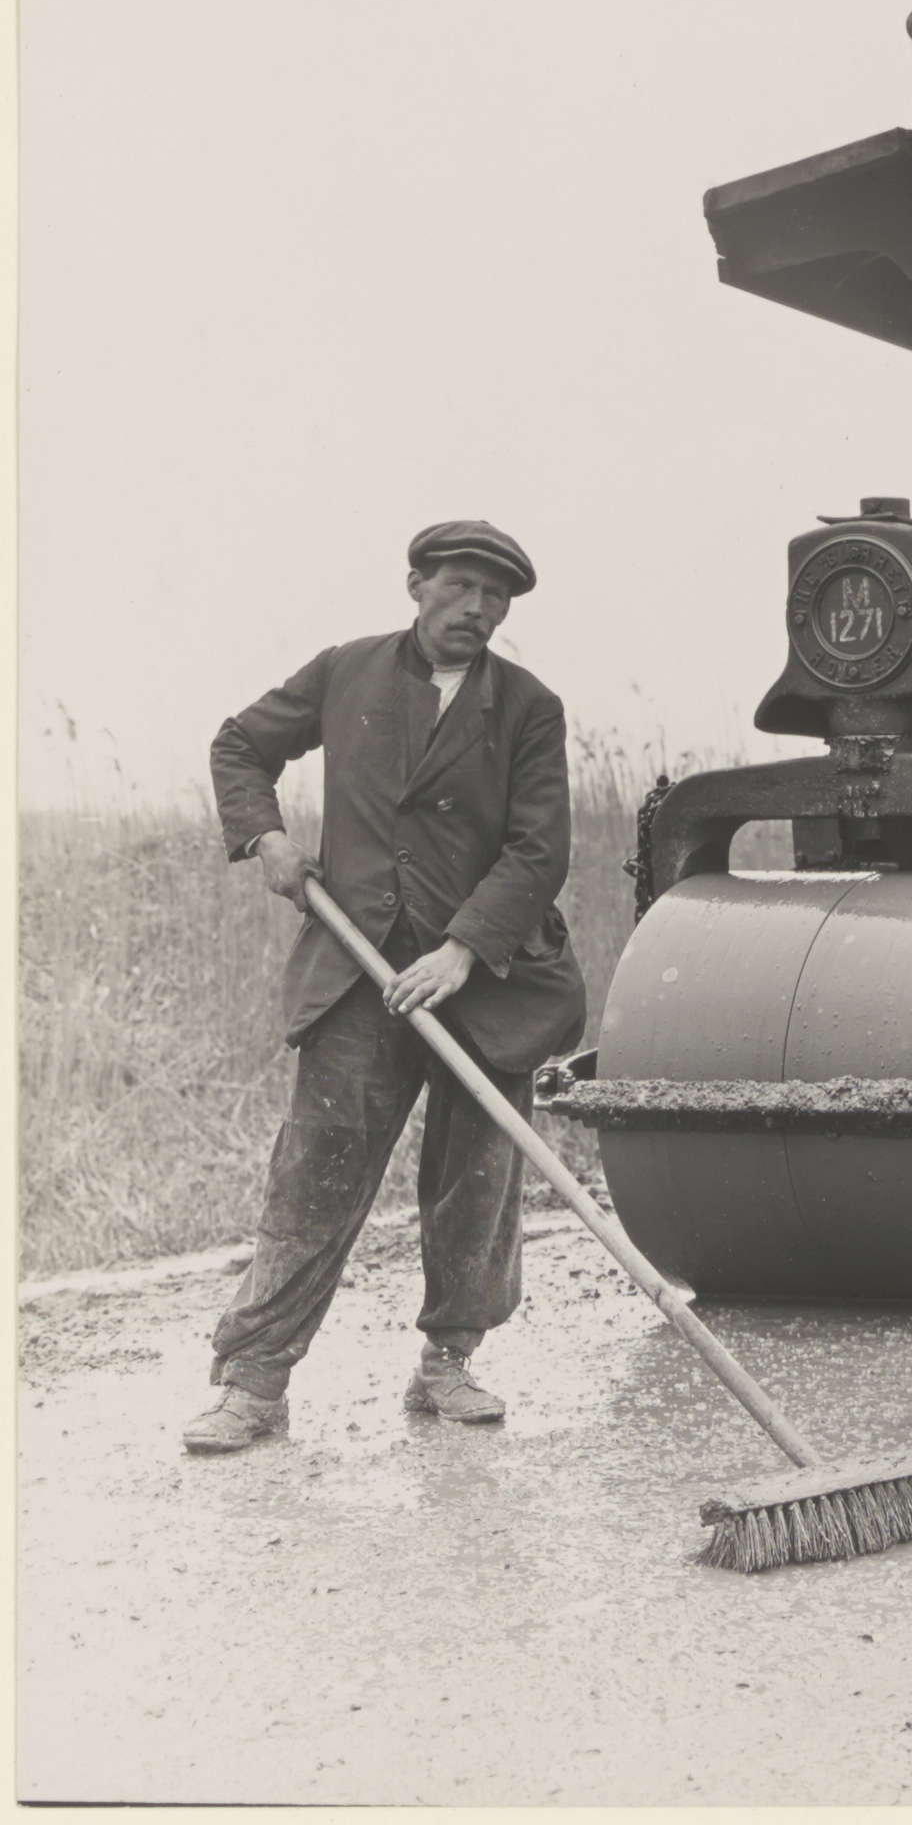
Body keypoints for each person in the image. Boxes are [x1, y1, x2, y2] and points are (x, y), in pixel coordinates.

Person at [185, 521, 587, 1453]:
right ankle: (255, 1382)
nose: (477, 609)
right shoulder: (346, 671)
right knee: (315, 1174)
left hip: (487, 982)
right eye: (460, 587)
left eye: (495, 597)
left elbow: (539, 849)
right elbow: (240, 745)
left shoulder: (529, 706)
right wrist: (265, 837)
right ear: (416, 585)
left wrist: (462, 951)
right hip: (357, 971)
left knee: (476, 1181)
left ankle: (448, 1363)